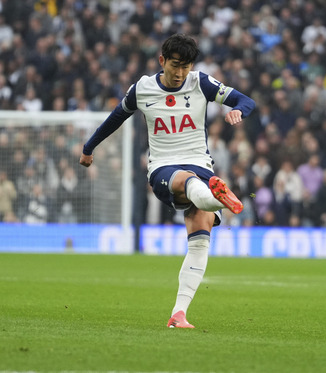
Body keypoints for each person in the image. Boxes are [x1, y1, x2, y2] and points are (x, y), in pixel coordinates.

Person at [79, 34, 255, 329]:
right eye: (175, 66)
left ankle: (179, 313)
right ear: (162, 61)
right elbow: (116, 117)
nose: (180, 73)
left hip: (201, 165)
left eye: (186, 67)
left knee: (200, 237)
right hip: (163, 167)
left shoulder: (201, 83)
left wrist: (238, 110)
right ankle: (218, 195)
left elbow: (244, 100)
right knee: (187, 181)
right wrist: (88, 148)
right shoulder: (143, 89)